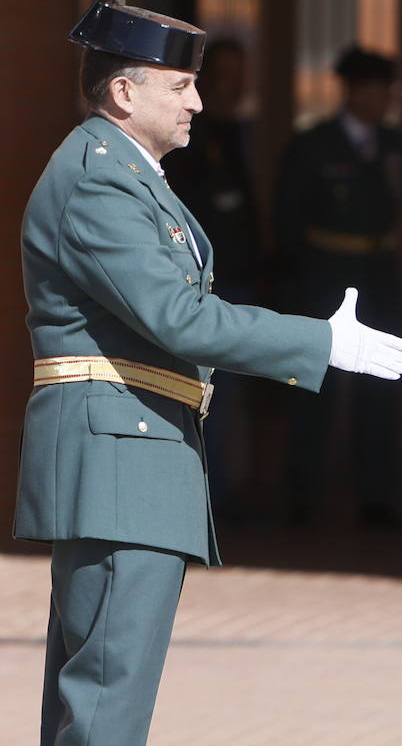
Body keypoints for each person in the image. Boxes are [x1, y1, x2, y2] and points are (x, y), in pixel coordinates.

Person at [17, 0, 402, 746]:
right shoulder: (101, 180)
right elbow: (177, 316)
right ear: (124, 91)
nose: (198, 101)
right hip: (118, 466)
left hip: (128, 460)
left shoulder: (123, 173)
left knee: (98, 703)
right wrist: (317, 344)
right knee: (106, 710)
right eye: (180, 86)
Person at [274, 45, 402, 528]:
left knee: (380, 384)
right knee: (316, 386)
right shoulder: (314, 145)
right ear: (354, 91)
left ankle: (376, 496)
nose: (386, 99)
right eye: (378, 89)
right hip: (325, 278)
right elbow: (288, 221)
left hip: (378, 276)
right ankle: (303, 495)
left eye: (389, 90)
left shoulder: (395, 145)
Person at [161, 37, 260, 514]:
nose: (228, 86)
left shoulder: (244, 133)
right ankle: (207, 501)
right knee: (209, 395)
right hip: (200, 286)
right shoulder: (188, 136)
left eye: (238, 74)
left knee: (239, 399)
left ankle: (225, 495)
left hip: (244, 277)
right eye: (219, 75)